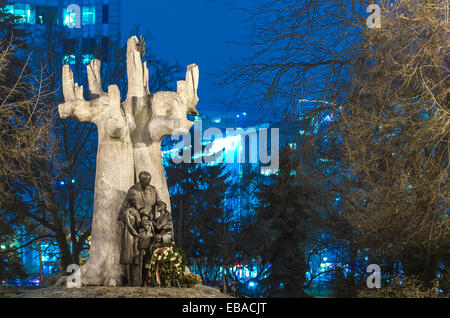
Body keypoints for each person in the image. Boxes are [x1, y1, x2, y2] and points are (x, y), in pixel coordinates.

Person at [118, 207, 141, 286]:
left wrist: (138, 217)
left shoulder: (136, 211)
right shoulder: (126, 211)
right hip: (127, 234)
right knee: (127, 258)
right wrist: (136, 233)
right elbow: (128, 224)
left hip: (135, 236)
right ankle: (128, 282)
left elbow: (138, 224)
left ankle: (133, 280)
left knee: (133, 258)